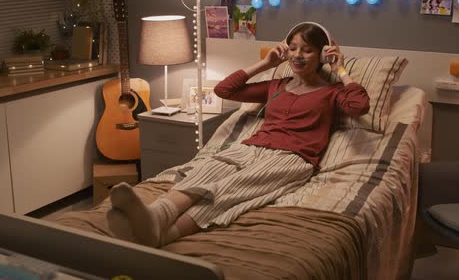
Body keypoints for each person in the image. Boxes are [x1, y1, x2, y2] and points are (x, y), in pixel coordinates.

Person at [105, 23, 370, 248]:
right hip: (251, 147)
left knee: (231, 188)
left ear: (322, 55)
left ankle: (162, 234)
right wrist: (265, 64)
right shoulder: (276, 85)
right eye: (293, 48)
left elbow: (359, 106)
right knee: (208, 169)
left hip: (292, 157)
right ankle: (157, 215)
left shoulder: (332, 92)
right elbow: (224, 90)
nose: (298, 55)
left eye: (308, 50)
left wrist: (342, 70)